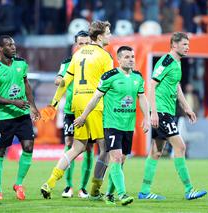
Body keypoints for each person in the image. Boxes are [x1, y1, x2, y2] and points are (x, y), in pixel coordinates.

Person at [40, 20, 113, 199]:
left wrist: (54, 104)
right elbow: (109, 86)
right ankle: (96, 189)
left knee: (76, 147)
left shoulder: (78, 54)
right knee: (106, 149)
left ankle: (50, 182)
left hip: (77, 103)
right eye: (109, 32)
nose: (111, 35)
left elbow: (65, 81)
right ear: (101, 36)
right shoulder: (105, 56)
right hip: (95, 105)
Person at [74, 46, 150, 206]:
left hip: (128, 126)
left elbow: (142, 98)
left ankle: (109, 194)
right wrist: (83, 116)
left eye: (133, 56)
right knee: (115, 157)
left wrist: (147, 118)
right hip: (112, 124)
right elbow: (95, 98)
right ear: (119, 59)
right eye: (127, 57)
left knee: (121, 160)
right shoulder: (110, 76)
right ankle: (122, 194)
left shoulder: (138, 77)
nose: (131, 59)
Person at [138, 32, 207, 200]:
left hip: (167, 111)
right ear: (174, 45)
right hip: (161, 111)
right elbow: (152, 85)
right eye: (184, 44)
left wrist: (187, 108)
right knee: (180, 147)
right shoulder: (166, 61)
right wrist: (153, 112)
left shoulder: (177, 63)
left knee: (156, 151)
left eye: (188, 44)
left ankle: (144, 191)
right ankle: (189, 189)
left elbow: (176, 87)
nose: (187, 47)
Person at [0, 35, 40, 201]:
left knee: (29, 147)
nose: (13, 47)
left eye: (14, 44)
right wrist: (13, 102)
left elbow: (26, 85)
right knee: (0, 152)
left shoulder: (21, 63)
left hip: (22, 115)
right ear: (1, 49)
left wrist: (32, 106)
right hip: (3, 117)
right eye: (9, 45)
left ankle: (18, 184)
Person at [55, 31, 93, 198]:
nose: (83, 46)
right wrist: (60, 80)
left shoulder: (95, 62)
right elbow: (60, 78)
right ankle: (68, 186)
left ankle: (83, 187)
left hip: (90, 110)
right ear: (75, 45)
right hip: (71, 110)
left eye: (86, 43)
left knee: (89, 148)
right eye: (80, 43)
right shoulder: (68, 62)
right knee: (69, 144)